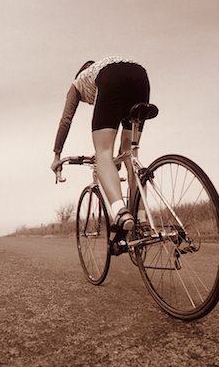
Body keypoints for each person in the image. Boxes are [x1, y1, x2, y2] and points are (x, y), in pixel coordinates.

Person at [51, 56, 150, 235]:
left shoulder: (78, 82)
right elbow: (120, 125)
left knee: (103, 152)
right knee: (131, 156)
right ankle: (141, 218)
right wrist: (117, 161)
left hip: (112, 78)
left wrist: (57, 156)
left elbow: (65, 120)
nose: (89, 103)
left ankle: (121, 212)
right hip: (140, 75)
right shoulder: (102, 67)